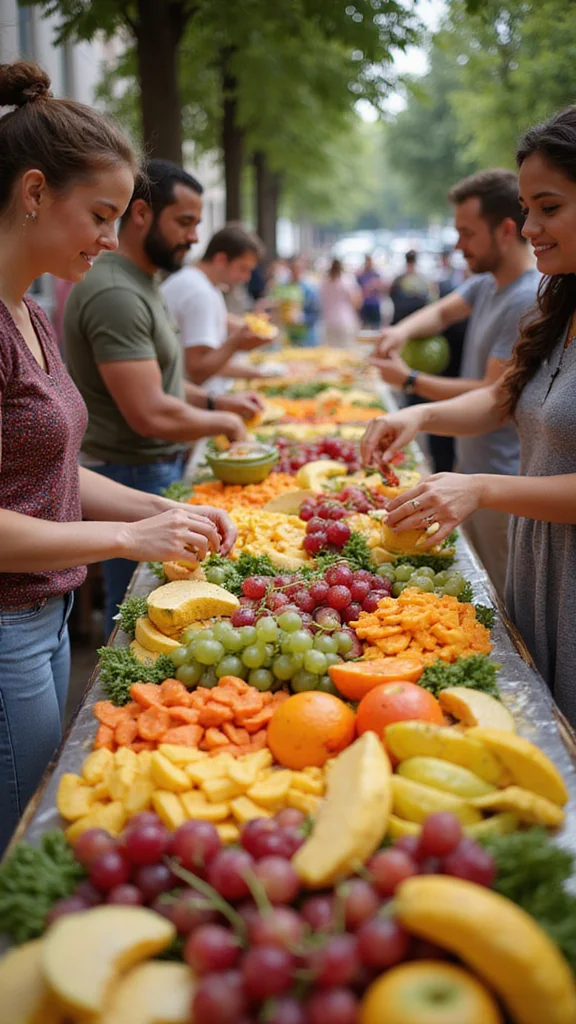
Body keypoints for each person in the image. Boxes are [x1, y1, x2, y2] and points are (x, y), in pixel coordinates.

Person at [0, 61, 236, 853]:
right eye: (100, 213)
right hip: (8, 629)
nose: (112, 235)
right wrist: (130, 540)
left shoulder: (32, 312)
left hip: (45, 617)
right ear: (34, 193)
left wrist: (164, 509)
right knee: (25, 846)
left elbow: (55, 476)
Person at [361, 105, 576, 726]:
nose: (529, 224)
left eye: (549, 207)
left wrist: (481, 486)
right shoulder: (557, 303)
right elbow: (505, 397)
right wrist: (420, 417)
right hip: (544, 568)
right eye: (528, 208)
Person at [65, 161, 250, 636]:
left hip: (148, 470)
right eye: (184, 222)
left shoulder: (144, 281)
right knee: (143, 628)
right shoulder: (113, 290)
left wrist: (216, 407)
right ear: (143, 213)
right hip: (129, 472)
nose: (193, 237)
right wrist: (222, 424)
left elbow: (164, 380)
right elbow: (149, 410)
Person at [372, 171, 540, 596]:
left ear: (504, 231)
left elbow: (492, 393)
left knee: (501, 600)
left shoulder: (527, 297)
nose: (459, 245)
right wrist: (400, 333)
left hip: (504, 483)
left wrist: (410, 381)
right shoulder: (487, 284)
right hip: (476, 474)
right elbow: (443, 313)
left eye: (466, 233)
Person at [161, 224, 270, 385]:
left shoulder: (196, 283)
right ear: (220, 259)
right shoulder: (200, 293)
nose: (246, 277)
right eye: (243, 268)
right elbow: (197, 370)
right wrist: (236, 344)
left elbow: (209, 319)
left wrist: (244, 326)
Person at [271, 255, 320, 347]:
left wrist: (303, 318)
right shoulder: (282, 287)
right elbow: (274, 306)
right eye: (293, 268)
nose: (296, 271)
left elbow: (316, 313)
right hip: (287, 334)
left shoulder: (310, 289)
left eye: (298, 268)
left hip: (306, 335)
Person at [320, 258, 361, 348]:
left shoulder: (325, 281)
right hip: (345, 320)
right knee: (347, 351)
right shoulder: (347, 280)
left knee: (331, 351)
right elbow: (355, 300)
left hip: (329, 320)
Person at [389, 250, 436, 324]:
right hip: (415, 318)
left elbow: (391, 294)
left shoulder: (400, 278)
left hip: (403, 318)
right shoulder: (422, 279)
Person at [357, 253, 383, 329]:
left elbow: (381, 288)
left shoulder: (376, 275)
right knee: (364, 326)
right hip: (365, 304)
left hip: (374, 304)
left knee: (376, 326)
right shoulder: (360, 275)